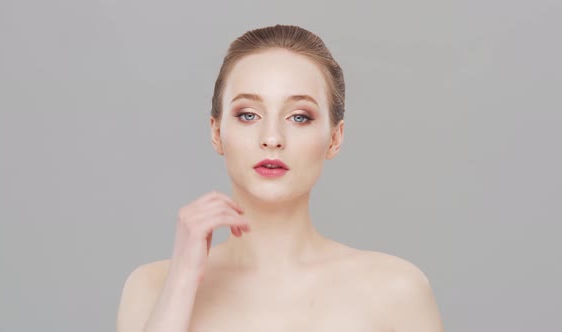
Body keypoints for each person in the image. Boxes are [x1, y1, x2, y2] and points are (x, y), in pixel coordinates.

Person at [116, 24, 444, 332]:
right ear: (216, 132)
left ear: (334, 138)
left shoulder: (398, 291)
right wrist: (182, 282)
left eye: (299, 117)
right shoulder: (152, 286)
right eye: (248, 115)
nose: (272, 137)